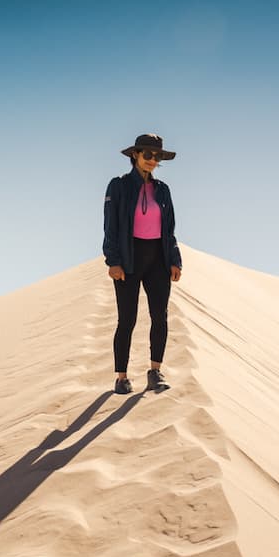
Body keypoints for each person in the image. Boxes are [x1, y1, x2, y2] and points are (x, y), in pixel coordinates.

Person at [102, 133, 182, 394]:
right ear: (135, 155)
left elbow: (169, 229)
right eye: (147, 154)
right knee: (127, 319)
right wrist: (112, 261)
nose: (152, 160)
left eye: (157, 156)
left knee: (160, 317)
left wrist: (174, 259)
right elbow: (110, 226)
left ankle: (155, 371)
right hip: (128, 258)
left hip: (158, 259)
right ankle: (121, 377)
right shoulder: (119, 186)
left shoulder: (163, 190)